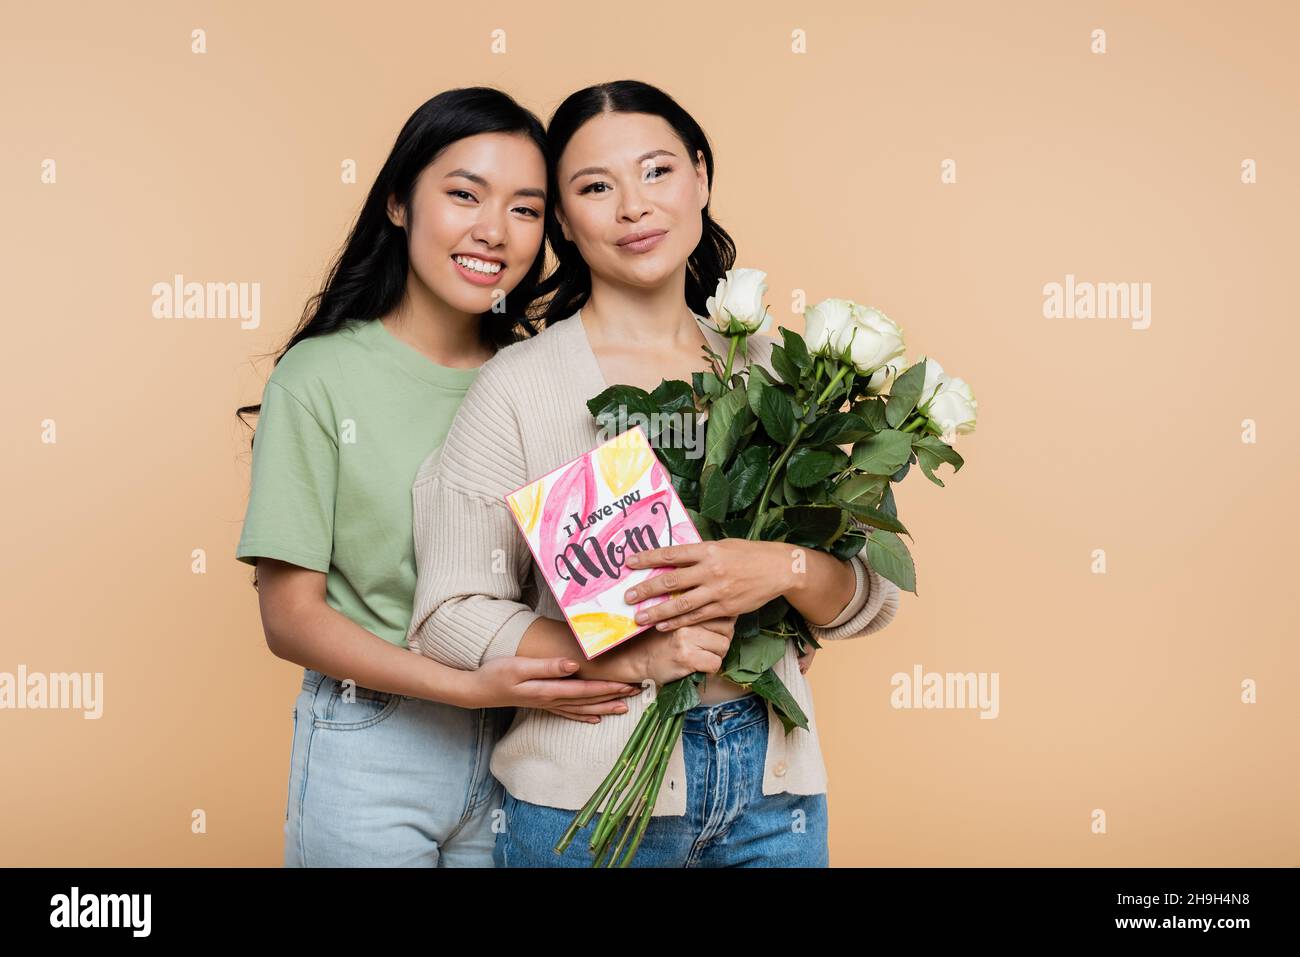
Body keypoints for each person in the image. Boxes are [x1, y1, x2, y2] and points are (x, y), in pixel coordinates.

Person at [408, 80, 901, 867]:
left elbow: (870, 598)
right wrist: (618, 655)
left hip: (776, 796)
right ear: (565, 221)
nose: (633, 206)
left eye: (658, 171)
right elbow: (448, 611)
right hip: (587, 807)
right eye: (596, 188)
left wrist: (780, 566)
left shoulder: (784, 376)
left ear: (701, 176)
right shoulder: (519, 385)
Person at [234, 87, 639, 868]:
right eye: (463, 194)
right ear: (397, 202)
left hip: (533, 744)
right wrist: (468, 687)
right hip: (376, 744)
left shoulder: (549, 377)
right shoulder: (319, 379)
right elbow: (289, 617)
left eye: (525, 209)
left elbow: (604, 574)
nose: (493, 231)